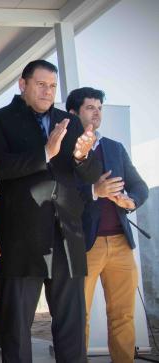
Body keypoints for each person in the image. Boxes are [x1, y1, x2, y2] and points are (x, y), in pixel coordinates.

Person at [0, 59, 101, 362]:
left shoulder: (69, 123)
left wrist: (83, 156)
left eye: (53, 86)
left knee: (72, 332)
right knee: (17, 332)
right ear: (23, 84)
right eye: (41, 84)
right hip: (21, 240)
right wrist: (45, 153)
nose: (48, 91)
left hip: (67, 239)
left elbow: (89, 176)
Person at [65, 87, 149, 363]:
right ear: (73, 113)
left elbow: (139, 185)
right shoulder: (63, 148)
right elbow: (60, 192)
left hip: (121, 244)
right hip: (85, 245)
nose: (97, 112)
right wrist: (94, 191)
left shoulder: (114, 147)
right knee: (81, 316)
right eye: (90, 107)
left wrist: (131, 200)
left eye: (99, 107)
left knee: (123, 315)